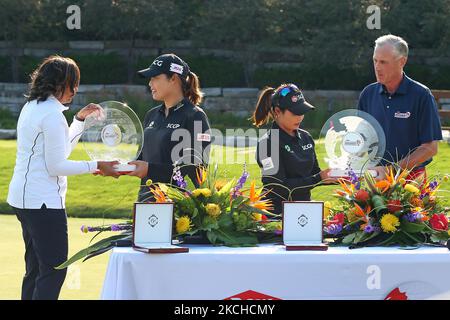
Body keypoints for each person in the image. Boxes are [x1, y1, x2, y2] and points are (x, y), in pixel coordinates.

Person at [7, 55, 119, 300]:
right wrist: (97, 165)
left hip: (24, 200)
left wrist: (78, 120)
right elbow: (56, 165)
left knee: (36, 268)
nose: (75, 90)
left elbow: (59, 150)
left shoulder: (34, 107)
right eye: (73, 83)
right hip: (43, 203)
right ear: (58, 83)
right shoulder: (51, 114)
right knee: (55, 270)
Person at [127, 54, 211, 201]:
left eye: (155, 78)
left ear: (173, 78)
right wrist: (116, 167)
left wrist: (149, 169)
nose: (150, 84)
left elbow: (196, 168)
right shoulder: (151, 115)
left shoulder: (195, 116)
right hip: (146, 204)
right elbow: (142, 158)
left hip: (180, 210)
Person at [357, 35, 443, 180]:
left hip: (412, 180)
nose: (377, 67)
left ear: (402, 61)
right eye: (375, 60)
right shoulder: (368, 94)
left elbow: (430, 148)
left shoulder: (422, 95)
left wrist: (392, 170)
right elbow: (362, 137)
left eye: (383, 62)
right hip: (376, 177)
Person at [252, 83, 338, 215]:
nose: (300, 117)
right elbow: (278, 187)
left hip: (304, 211)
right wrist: (319, 178)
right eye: (295, 113)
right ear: (277, 111)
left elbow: (314, 174)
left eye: (302, 112)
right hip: (276, 216)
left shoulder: (306, 137)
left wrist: (336, 176)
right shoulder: (267, 143)